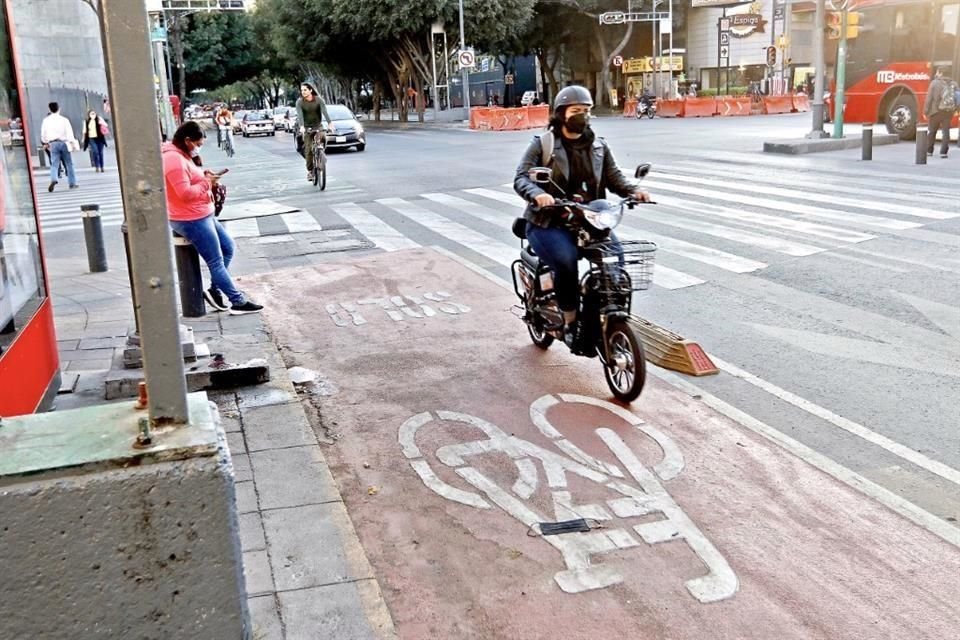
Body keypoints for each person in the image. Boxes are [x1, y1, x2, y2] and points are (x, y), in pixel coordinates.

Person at [513, 85, 650, 348]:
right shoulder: (544, 144)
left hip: (589, 220)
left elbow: (614, 178)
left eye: (586, 111)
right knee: (566, 262)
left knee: (615, 259)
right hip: (548, 222)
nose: (583, 116)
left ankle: (606, 312)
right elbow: (521, 177)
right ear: (561, 113)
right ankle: (570, 320)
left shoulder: (598, 146)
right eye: (576, 111)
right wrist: (537, 195)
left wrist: (634, 191)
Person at [162, 121, 263, 315]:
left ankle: (214, 291)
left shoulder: (181, 154)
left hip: (203, 213)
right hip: (191, 218)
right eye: (198, 144)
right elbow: (184, 193)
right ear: (187, 140)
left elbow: (191, 179)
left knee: (228, 248)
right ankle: (237, 301)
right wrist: (207, 184)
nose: (198, 148)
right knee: (215, 261)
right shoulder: (173, 159)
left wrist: (205, 176)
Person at [295, 82, 333, 181]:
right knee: (308, 150)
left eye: (305, 90)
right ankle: (310, 171)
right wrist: (302, 126)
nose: (303, 92)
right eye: (302, 90)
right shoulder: (300, 102)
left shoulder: (318, 100)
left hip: (318, 125)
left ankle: (320, 152)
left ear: (310, 90)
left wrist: (330, 123)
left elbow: (324, 111)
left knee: (323, 136)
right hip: (306, 127)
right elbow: (300, 115)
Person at [40, 102, 78, 192]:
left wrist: (45, 142)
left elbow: (43, 134)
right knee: (69, 163)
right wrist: (72, 142)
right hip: (64, 143)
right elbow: (69, 133)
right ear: (59, 109)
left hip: (53, 144)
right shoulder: (64, 120)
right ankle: (72, 183)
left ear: (49, 109)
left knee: (54, 164)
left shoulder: (46, 121)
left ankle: (54, 178)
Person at [924, 67, 955, 159]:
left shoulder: (934, 83)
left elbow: (929, 99)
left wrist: (926, 111)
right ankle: (943, 152)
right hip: (948, 111)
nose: (936, 74)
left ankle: (929, 151)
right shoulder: (953, 83)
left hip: (935, 111)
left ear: (940, 73)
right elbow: (957, 98)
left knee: (932, 131)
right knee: (946, 132)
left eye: (937, 72)